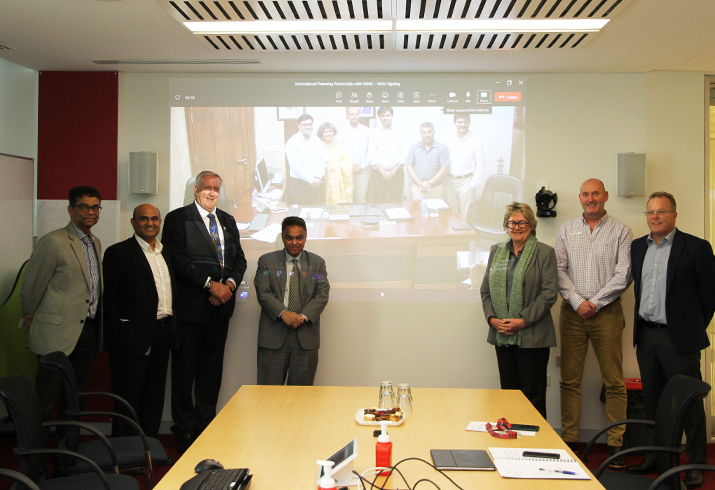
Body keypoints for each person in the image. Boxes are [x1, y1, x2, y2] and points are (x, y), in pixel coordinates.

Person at [627, 192, 715, 488]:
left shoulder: (697, 247)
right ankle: (657, 457)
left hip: (680, 340)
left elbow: (709, 297)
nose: (655, 217)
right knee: (653, 401)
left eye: (661, 211)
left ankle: (696, 463)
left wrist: (688, 329)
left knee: (688, 403)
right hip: (647, 337)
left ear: (674, 215)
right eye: (650, 212)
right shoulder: (638, 247)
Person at [162, 170, 247, 453]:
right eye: (207, 187)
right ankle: (184, 434)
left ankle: (205, 429)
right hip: (191, 311)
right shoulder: (178, 218)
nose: (212, 192)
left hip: (220, 311)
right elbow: (178, 260)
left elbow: (240, 260)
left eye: (216, 188)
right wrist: (211, 286)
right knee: (185, 377)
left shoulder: (227, 219)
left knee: (211, 376)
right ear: (196, 189)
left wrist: (229, 286)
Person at [555, 178, 631, 468]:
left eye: (595, 193)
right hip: (572, 314)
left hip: (607, 313)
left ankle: (615, 447)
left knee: (614, 381)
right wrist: (578, 302)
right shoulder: (566, 230)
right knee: (570, 381)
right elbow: (560, 271)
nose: (591, 198)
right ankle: (570, 443)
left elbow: (623, 274)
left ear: (605, 196)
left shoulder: (621, 230)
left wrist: (595, 303)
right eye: (586, 194)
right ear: (580, 198)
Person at [21, 186, 103, 422]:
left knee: (77, 397)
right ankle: (35, 454)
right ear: (70, 209)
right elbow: (32, 287)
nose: (90, 212)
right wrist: (30, 320)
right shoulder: (53, 241)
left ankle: (68, 454)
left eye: (95, 207)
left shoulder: (95, 242)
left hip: (87, 330)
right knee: (46, 397)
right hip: (55, 332)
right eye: (84, 206)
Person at [103, 204, 177, 438]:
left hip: (162, 334)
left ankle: (148, 449)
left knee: (153, 397)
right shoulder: (119, 253)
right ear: (133, 222)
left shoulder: (167, 252)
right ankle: (124, 453)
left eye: (154, 219)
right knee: (128, 398)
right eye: (143, 219)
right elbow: (110, 300)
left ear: (160, 222)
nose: (149, 223)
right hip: (131, 339)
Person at [480, 203, 558, 418]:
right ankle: (511, 443)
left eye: (522, 222)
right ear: (506, 226)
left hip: (533, 336)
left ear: (531, 225)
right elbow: (485, 291)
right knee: (509, 394)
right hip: (502, 334)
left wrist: (522, 321)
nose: (517, 227)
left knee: (532, 395)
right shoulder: (496, 251)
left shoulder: (545, 253)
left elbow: (549, 294)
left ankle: (535, 444)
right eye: (512, 223)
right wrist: (492, 319)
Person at [254, 216, 330, 386]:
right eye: (290, 238)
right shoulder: (266, 262)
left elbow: (322, 294)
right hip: (273, 337)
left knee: (301, 400)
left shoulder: (317, 263)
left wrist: (301, 317)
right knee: (268, 397)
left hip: (305, 339)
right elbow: (263, 292)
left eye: (299, 237)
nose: (295, 242)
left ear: (305, 237)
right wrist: (284, 313)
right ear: (283, 237)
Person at [444, 114, 486, 219]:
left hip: (466, 183)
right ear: (454, 123)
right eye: (459, 122)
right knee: (452, 213)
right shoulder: (449, 138)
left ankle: (463, 235)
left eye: (465, 121)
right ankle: (453, 235)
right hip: (449, 181)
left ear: (469, 122)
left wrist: (472, 185)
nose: (462, 124)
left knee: (464, 216)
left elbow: (481, 164)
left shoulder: (476, 140)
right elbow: (444, 160)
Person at [368, 107, 408, 203]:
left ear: (392, 116)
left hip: (397, 173)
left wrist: (393, 171)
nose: (385, 118)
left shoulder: (401, 131)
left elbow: (405, 153)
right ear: (379, 117)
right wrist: (383, 172)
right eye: (383, 116)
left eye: (388, 115)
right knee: (379, 201)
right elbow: (371, 154)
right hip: (379, 174)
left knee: (396, 201)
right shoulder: (374, 133)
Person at [284, 114, 325, 204]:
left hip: (315, 183)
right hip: (300, 185)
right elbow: (295, 166)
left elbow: (322, 159)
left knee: (313, 212)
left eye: (310, 124)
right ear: (299, 126)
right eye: (304, 124)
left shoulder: (316, 140)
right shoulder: (292, 142)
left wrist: (318, 176)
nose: (308, 127)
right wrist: (311, 180)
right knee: (300, 214)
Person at [404, 122, 450, 201]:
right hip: (417, 189)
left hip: (436, 189)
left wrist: (429, 184)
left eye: (429, 132)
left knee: (437, 212)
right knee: (417, 212)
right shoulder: (415, 147)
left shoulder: (441, 148)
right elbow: (409, 168)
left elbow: (444, 169)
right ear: (420, 134)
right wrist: (420, 184)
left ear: (433, 133)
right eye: (423, 133)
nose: (426, 135)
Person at [338, 107, 371, 203]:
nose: (354, 116)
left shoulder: (367, 131)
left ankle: (360, 218)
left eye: (356, 114)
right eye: (351, 114)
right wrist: (348, 166)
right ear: (347, 116)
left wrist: (362, 166)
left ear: (359, 115)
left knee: (361, 199)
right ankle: (348, 218)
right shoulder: (342, 132)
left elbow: (370, 151)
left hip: (363, 171)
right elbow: (339, 152)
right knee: (347, 199)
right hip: (347, 171)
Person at [318, 122, 353, 205]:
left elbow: (347, 162)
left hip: (339, 181)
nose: (328, 134)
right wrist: (326, 168)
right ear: (321, 134)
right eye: (325, 132)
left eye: (330, 131)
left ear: (333, 132)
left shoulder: (340, 145)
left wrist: (332, 166)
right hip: (323, 180)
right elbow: (315, 163)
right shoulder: (318, 146)